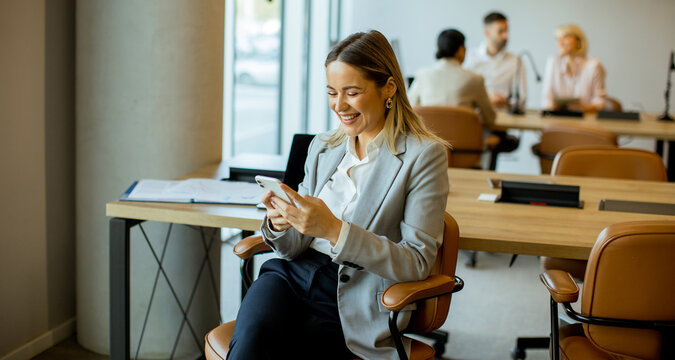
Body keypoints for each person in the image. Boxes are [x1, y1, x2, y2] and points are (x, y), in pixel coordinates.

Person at [227, 30, 450, 360]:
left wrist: (333, 229)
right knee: (250, 343)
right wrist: (281, 223)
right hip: (291, 276)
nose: (339, 105)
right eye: (332, 92)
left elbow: (417, 261)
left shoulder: (423, 155)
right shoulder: (323, 147)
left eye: (352, 92)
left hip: (355, 296)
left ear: (388, 88)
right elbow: (291, 250)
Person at [408, 28, 496, 126]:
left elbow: (409, 109)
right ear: (461, 50)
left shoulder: (422, 75)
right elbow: (490, 118)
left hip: (429, 139)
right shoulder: (475, 79)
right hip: (464, 139)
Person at [464, 12, 527, 109]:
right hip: (474, 115)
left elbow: (521, 99)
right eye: (500, 31)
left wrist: (505, 102)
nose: (506, 36)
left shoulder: (516, 61)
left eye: (507, 31)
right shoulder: (469, 58)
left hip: (504, 115)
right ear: (487, 32)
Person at [541, 24, 607, 112]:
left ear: (578, 41)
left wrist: (585, 108)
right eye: (557, 38)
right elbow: (546, 97)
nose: (560, 43)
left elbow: (600, 102)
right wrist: (550, 107)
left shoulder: (593, 65)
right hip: (557, 118)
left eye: (565, 37)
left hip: (585, 119)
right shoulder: (553, 62)